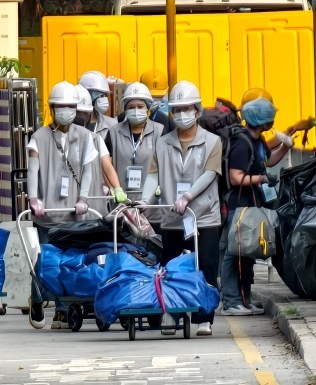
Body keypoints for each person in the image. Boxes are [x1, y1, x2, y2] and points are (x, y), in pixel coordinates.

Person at [139, 80, 222, 337]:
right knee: (171, 266)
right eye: (177, 110)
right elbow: (154, 175)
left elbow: (210, 174)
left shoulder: (213, 141)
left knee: (206, 267)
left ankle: (204, 317)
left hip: (204, 216)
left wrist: (188, 195)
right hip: (172, 217)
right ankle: (172, 312)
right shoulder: (163, 143)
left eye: (187, 108)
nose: (182, 114)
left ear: (197, 110)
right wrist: (144, 201)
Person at [26, 81, 97, 329]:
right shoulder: (38, 138)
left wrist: (84, 198)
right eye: (61, 106)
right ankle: (37, 298)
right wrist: (33, 198)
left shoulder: (86, 137)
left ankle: (63, 309)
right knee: (44, 260)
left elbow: (88, 171)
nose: (66, 111)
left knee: (68, 262)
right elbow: (32, 170)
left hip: (74, 214)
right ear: (52, 107)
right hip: (46, 214)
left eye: (70, 107)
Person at [220, 97, 277, 317]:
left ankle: (245, 297)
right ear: (262, 119)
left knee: (248, 252)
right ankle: (232, 301)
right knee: (234, 253)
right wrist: (260, 179)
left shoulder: (258, 141)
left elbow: (267, 162)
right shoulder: (241, 143)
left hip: (251, 204)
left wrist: (287, 145)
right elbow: (236, 178)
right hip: (238, 203)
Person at [106, 82, 162, 205]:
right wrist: (114, 188)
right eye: (131, 107)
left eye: (140, 106)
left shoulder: (160, 131)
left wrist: (162, 183)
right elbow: (105, 165)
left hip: (152, 203)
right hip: (121, 202)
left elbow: (167, 164)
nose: (136, 110)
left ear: (148, 108)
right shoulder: (113, 132)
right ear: (125, 109)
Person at [73, 84, 123, 214]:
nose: (81, 116)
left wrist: (117, 188)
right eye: (78, 112)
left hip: (94, 198)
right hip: (67, 200)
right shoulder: (54, 138)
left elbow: (107, 164)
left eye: (84, 113)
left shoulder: (95, 139)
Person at [78, 71, 117, 137]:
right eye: (100, 95)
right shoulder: (72, 126)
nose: (104, 99)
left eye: (105, 95)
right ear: (87, 95)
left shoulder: (113, 125)